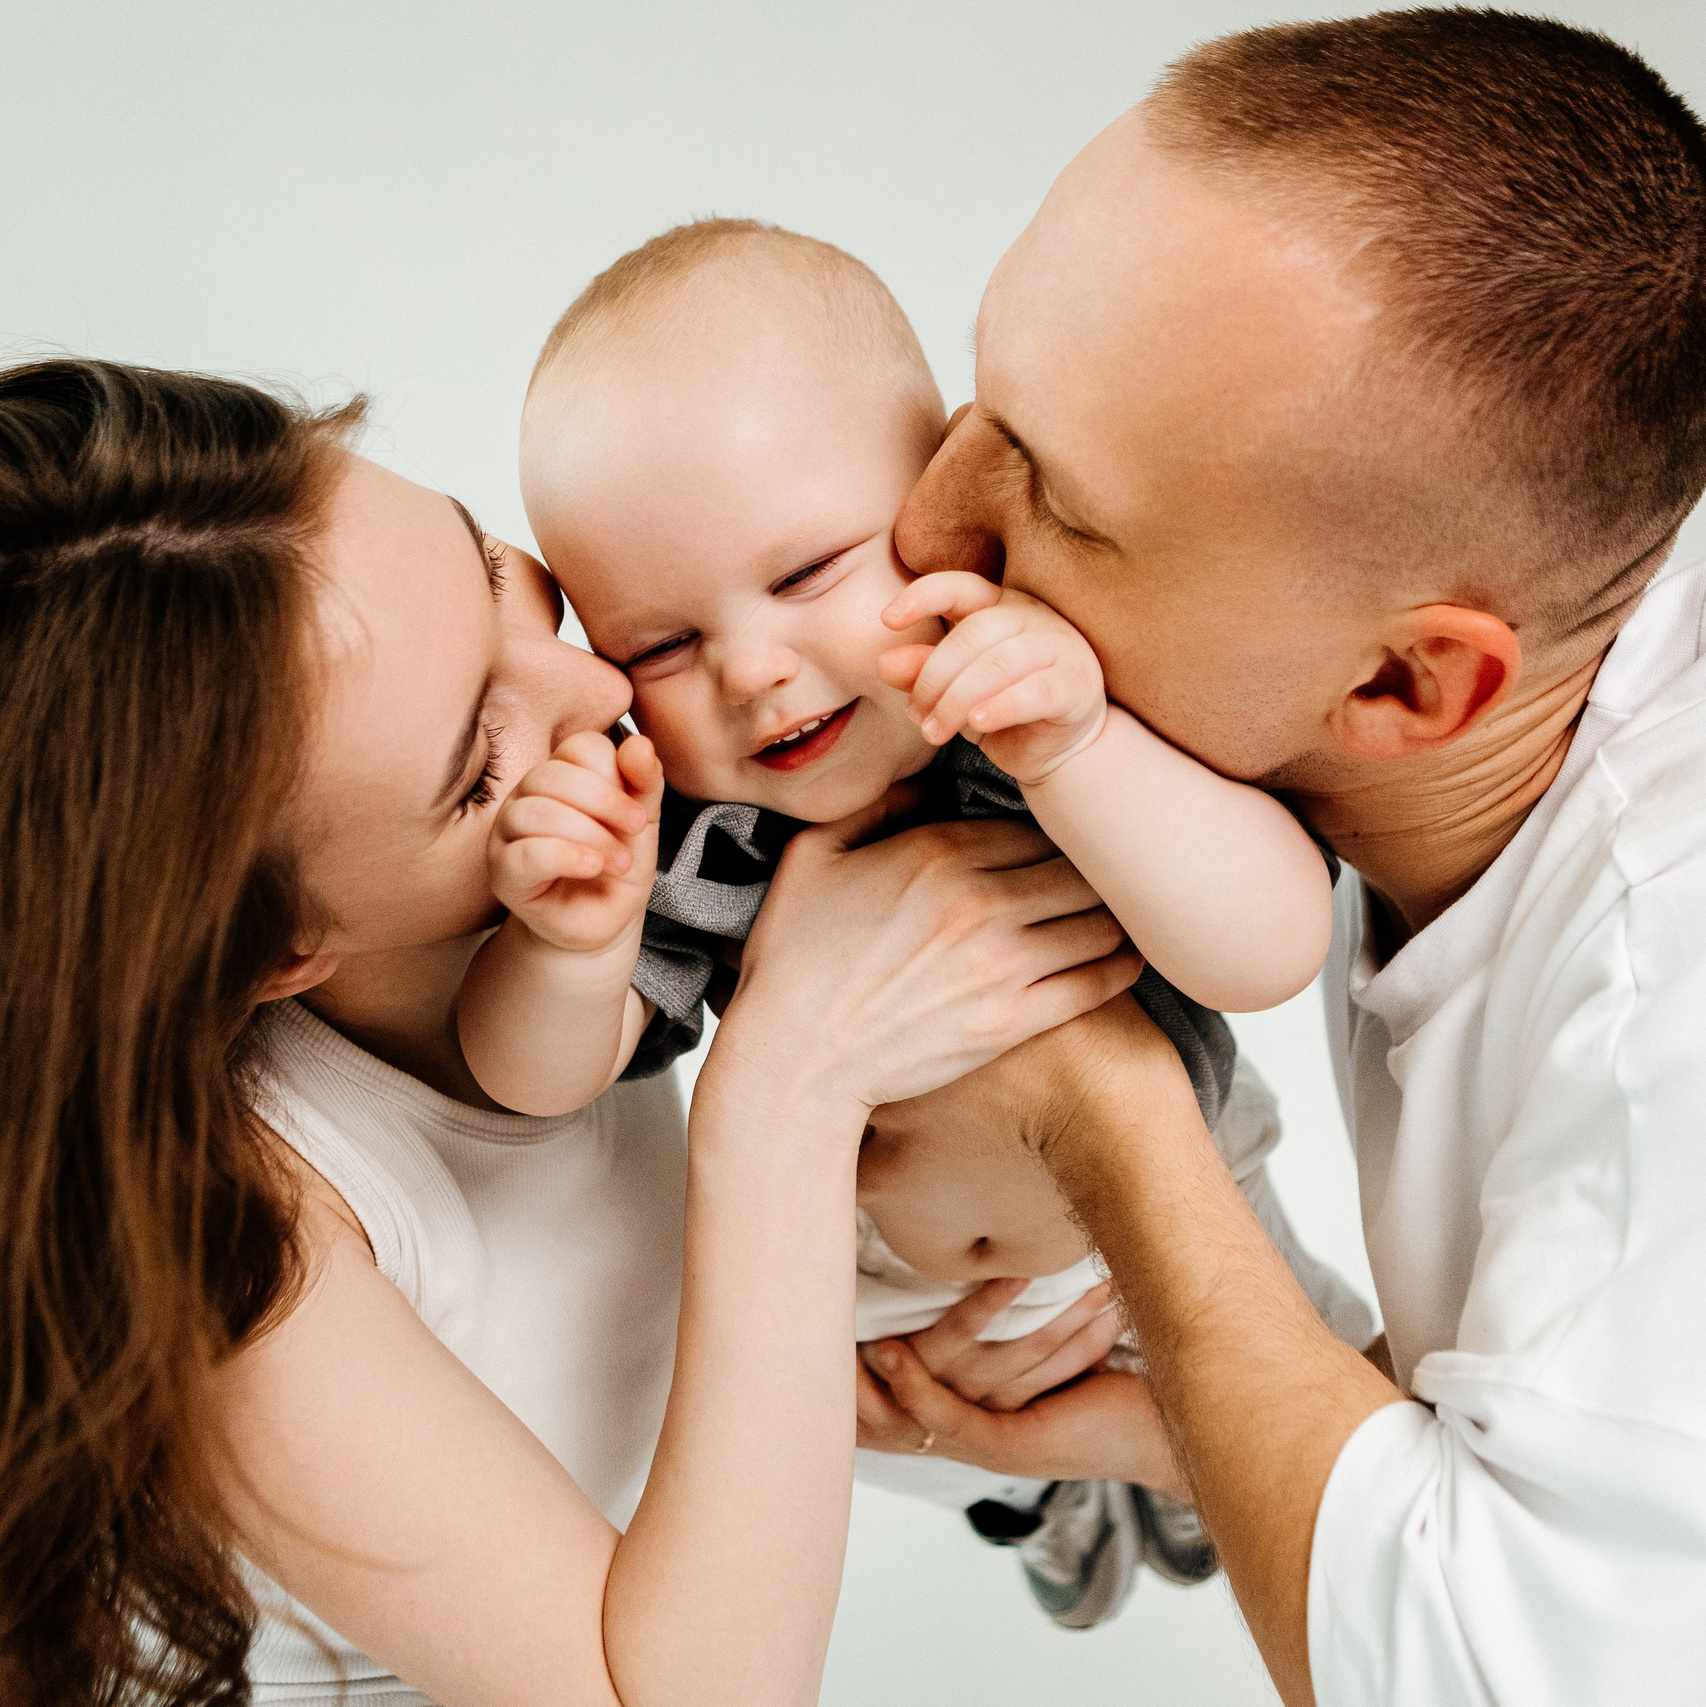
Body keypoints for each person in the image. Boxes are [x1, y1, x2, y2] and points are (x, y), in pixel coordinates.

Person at [0, 358, 1141, 1707]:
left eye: (487, 565)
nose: (597, 691)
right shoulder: (235, 1260)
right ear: (274, 950)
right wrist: (785, 1080)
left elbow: (576, 1311)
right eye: (480, 765)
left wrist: (891, 1394)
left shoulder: (563, 870)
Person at [859, 10, 1706, 1705]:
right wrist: (1196, 1416)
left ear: (1401, 684)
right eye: (980, 399)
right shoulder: (1465, 741)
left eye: (1060, 507)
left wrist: (1101, 1104)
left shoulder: (1660, 1003)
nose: (926, 528)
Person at [477, 218, 1369, 1625]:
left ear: (949, 500)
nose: (755, 672)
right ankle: (1037, 1496)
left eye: (807, 571)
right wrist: (562, 946)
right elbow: (530, 1083)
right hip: (891, 1298)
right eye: (659, 644)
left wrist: (1077, 747)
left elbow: (1267, 950)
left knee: (1353, 1439)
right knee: (807, 1428)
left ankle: (1150, 1473)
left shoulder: (1050, 708)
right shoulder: (701, 839)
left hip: (1195, 1217)